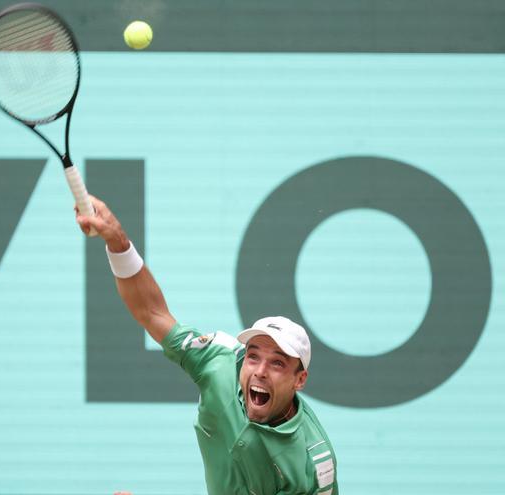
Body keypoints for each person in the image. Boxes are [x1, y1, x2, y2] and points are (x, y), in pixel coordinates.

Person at [77, 196, 338, 495]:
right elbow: (152, 313)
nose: (260, 371)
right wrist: (117, 241)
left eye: (277, 363)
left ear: (300, 379)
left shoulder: (310, 465)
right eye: (253, 357)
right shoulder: (219, 363)